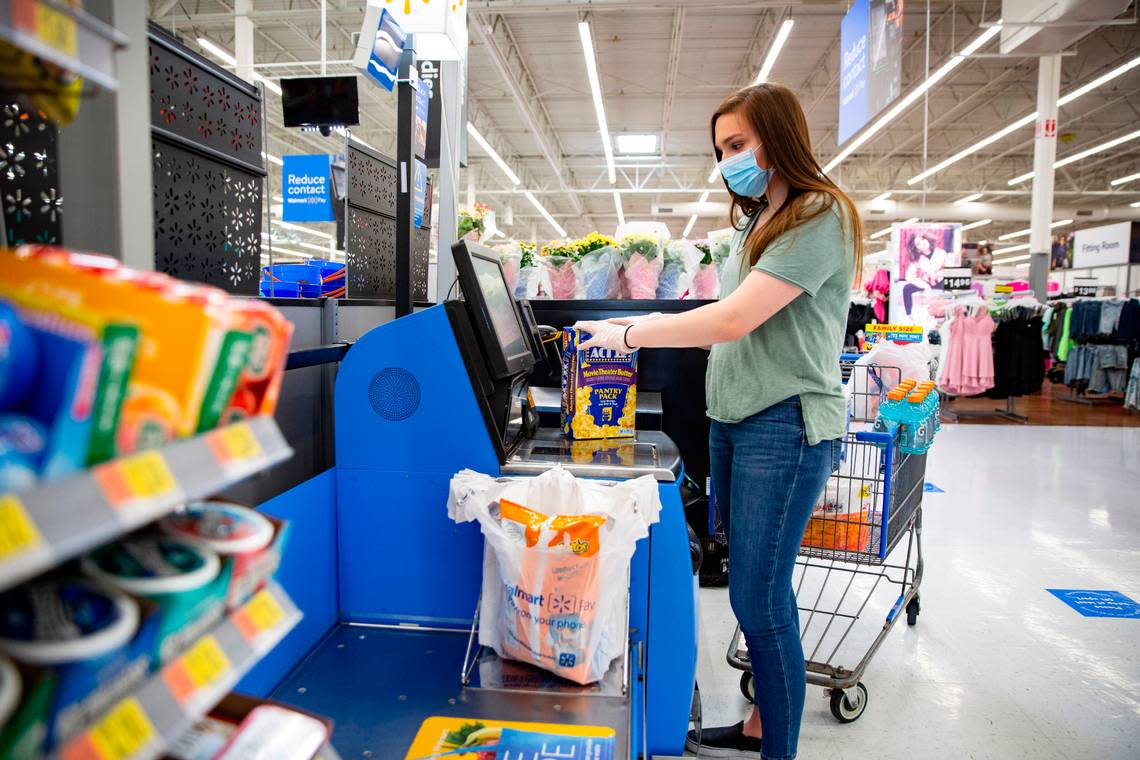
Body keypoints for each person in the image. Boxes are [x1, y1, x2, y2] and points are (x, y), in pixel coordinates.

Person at [574, 83, 862, 760]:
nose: (727, 160)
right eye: (720, 150)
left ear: (778, 136)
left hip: (784, 426)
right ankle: (760, 724)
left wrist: (635, 335)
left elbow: (734, 319)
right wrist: (627, 327)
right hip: (735, 421)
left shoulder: (820, 215)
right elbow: (718, 326)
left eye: (737, 145)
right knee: (753, 591)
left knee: (760, 601)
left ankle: (778, 753)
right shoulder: (756, 223)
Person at [899, 230, 946, 315]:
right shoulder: (918, 259)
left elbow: (950, 269)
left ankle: (951, 313)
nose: (923, 243)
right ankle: (909, 314)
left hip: (940, 281)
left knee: (951, 287)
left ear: (927, 239)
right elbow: (909, 276)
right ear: (917, 248)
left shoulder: (941, 253)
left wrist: (939, 274)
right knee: (906, 288)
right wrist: (924, 285)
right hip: (926, 282)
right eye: (918, 244)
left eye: (923, 239)